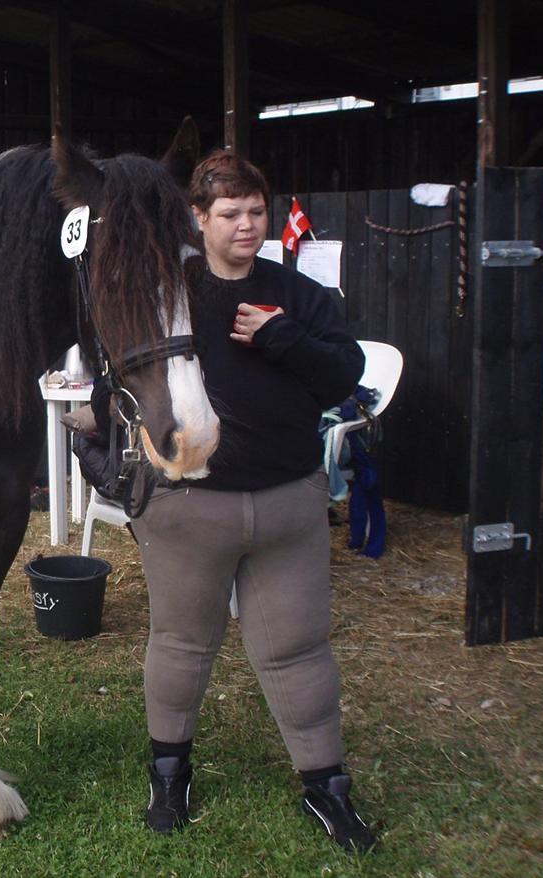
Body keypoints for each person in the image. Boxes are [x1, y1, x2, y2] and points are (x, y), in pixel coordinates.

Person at [131, 150, 376, 852]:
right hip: (190, 509)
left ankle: (327, 788)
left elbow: (345, 373)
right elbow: (113, 381)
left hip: (288, 502)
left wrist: (281, 338)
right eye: (229, 212)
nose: (246, 225)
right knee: (181, 642)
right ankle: (169, 776)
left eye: (256, 211)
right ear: (198, 218)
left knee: (299, 648)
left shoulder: (296, 295)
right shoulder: (166, 295)